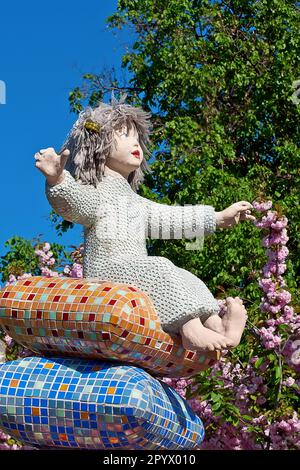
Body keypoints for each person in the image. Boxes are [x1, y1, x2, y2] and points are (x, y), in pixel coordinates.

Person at [35, 93, 254, 352]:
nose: (135, 143)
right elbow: (75, 204)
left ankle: (218, 325)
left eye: (137, 137)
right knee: (159, 268)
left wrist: (216, 218)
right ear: (97, 145)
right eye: (125, 135)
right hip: (107, 273)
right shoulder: (99, 193)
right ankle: (190, 329)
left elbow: (171, 218)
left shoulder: (134, 201)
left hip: (134, 271)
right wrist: (57, 180)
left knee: (184, 275)